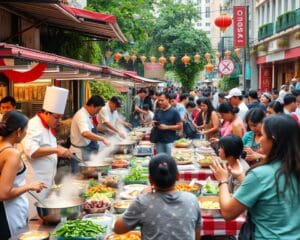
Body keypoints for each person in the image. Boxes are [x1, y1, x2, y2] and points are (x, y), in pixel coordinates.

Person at [210, 114, 300, 239]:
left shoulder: (261, 174)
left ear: (273, 139)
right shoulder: (292, 167)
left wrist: (223, 180)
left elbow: (227, 212)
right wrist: (242, 177)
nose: (259, 140)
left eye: (262, 135)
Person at [113, 153, 201, 240]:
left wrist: (139, 198)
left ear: (150, 180)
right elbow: (196, 233)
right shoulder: (192, 200)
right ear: (178, 176)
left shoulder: (142, 203)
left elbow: (117, 228)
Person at [0, 111, 46, 239]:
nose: (26, 133)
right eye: (26, 130)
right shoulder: (11, 154)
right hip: (8, 213)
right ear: (19, 131)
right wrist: (29, 186)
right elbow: (3, 193)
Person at [22, 86, 71, 199]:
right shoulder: (33, 126)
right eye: (56, 117)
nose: (59, 121)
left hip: (47, 181)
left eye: (60, 118)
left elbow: (47, 145)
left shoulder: (48, 126)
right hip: (35, 182)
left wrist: (59, 149)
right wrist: (56, 150)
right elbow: (32, 151)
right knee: (35, 213)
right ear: (46, 113)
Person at [70, 95, 110, 173]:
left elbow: (92, 128)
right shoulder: (81, 115)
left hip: (86, 149)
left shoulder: (88, 115)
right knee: (78, 177)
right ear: (92, 106)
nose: (98, 112)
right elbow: (85, 133)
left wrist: (107, 131)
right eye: (98, 109)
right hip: (79, 152)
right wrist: (102, 139)